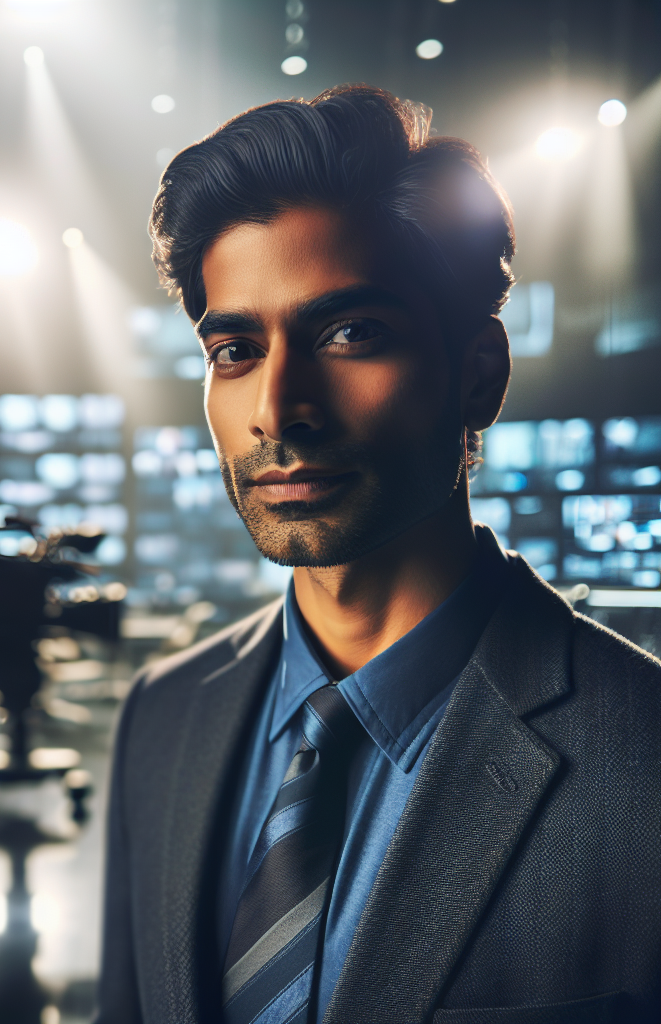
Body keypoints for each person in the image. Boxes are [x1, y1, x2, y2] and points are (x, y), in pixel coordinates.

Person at [96, 86, 660, 1024]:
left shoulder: (643, 763)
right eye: (235, 348)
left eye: (350, 333)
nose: (278, 409)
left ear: (480, 371)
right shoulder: (163, 716)